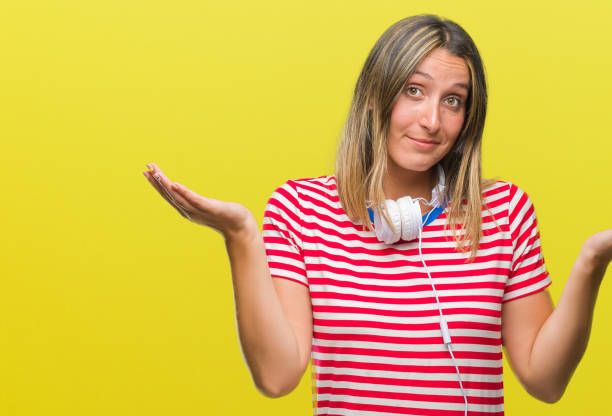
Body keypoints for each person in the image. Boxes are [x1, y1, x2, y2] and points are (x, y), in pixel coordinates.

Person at [142, 14, 612, 416]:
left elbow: (546, 382)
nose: (432, 120)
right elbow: (277, 375)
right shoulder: (300, 210)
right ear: (376, 96)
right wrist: (240, 233)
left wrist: (593, 258)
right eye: (414, 91)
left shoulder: (504, 212)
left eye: (454, 100)